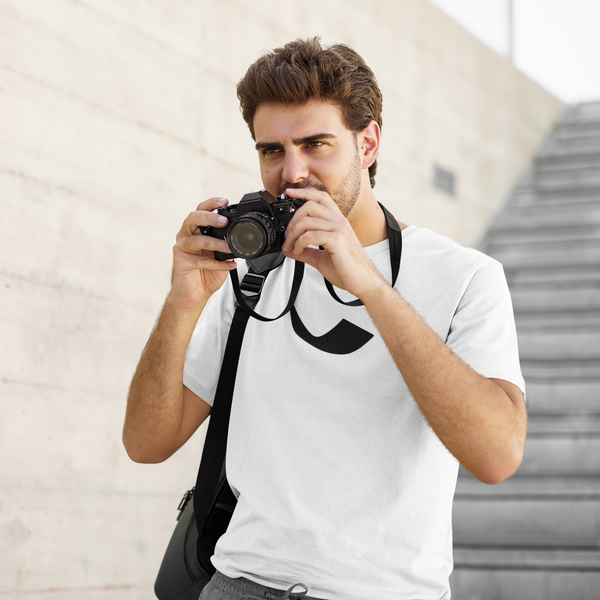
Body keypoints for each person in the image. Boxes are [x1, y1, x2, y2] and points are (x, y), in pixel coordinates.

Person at [123, 37, 527, 600]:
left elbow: (497, 455)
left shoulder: (463, 277)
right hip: (239, 583)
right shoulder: (254, 272)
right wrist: (183, 300)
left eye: (316, 144)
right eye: (271, 150)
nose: (292, 172)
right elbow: (147, 442)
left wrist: (367, 282)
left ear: (368, 143)